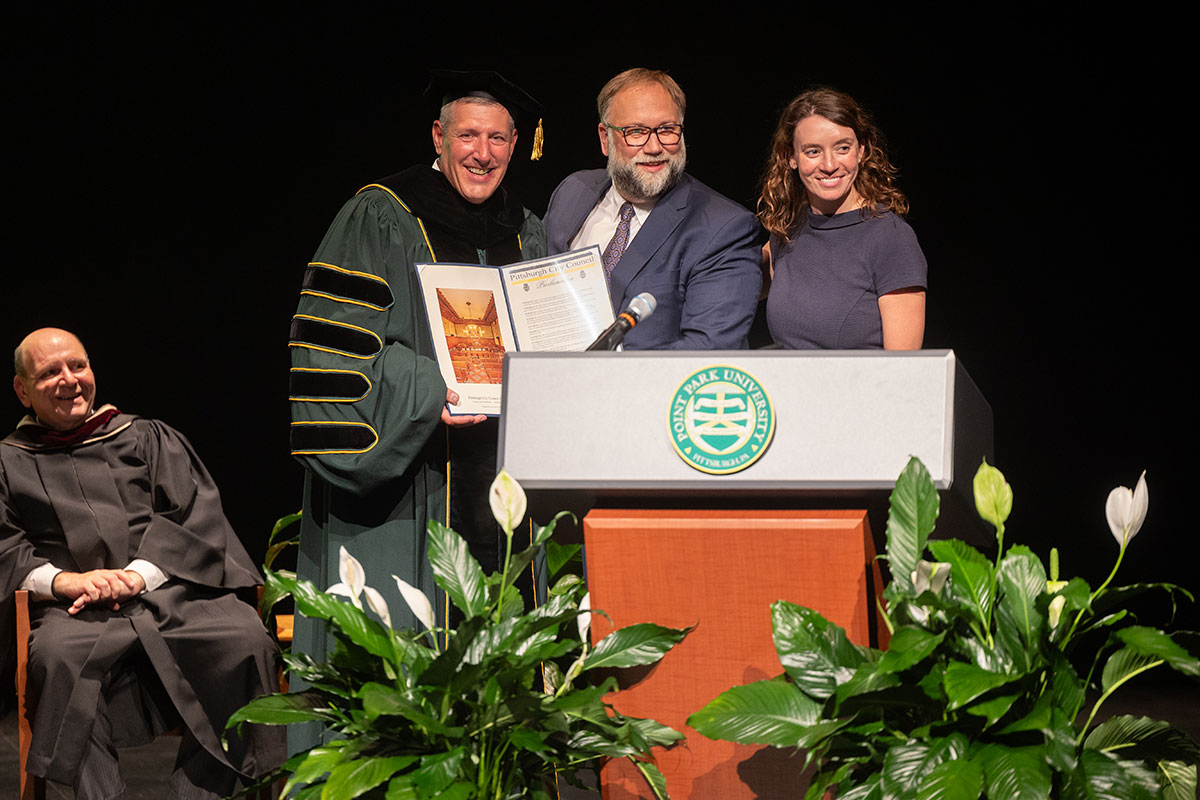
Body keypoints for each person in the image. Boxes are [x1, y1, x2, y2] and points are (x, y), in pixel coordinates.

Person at [288, 70, 544, 650]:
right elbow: (332, 349)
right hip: (410, 484)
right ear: (437, 136)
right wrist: (431, 391)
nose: (483, 154)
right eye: (468, 136)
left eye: (498, 139)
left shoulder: (527, 231)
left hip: (501, 478)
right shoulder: (379, 215)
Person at [0, 328, 282, 800]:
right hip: (74, 609)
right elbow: (5, 544)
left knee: (243, 639)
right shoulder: (9, 461)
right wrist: (66, 581)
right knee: (58, 660)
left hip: (168, 591)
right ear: (22, 389)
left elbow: (193, 517)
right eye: (50, 372)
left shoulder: (146, 437)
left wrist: (137, 575)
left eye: (78, 366)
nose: (69, 379)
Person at [543, 68, 762, 349]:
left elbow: (708, 348)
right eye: (636, 132)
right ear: (604, 138)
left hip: (646, 391)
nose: (655, 146)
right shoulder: (572, 192)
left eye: (667, 130)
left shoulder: (724, 228)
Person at [759, 88, 927, 350]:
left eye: (842, 148)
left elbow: (902, 372)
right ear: (791, 157)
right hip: (789, 388)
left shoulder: (891, 238)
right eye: (813, 151)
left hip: (859, 390)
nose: (829, 164)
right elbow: (731, 287)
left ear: (861, 151)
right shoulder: (788, 230)